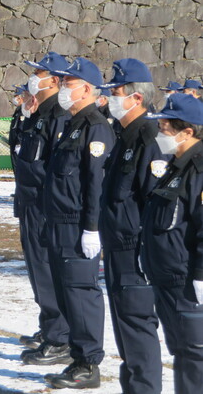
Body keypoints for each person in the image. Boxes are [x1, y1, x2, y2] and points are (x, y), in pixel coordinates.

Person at [42, 57, 115, 389]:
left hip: (76, 225)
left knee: (81, 294)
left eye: (67, 84)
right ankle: (76, 357)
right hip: (58, 222)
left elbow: (95, 184)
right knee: (64, 294)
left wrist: (91, 227)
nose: (62, 89)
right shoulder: (70, 124)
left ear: (86, 88)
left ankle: (89, 364)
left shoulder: (95, 127)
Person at [98, 59, 164, 394]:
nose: (111, 96)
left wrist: (148, 254)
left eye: (116, 91)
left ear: (136, 98)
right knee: (125, 328)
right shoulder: (124, 135)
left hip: (135, 252)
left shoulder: (149, 139)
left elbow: (157, 203)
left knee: (137, 327)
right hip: (117, 248)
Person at [142, 92, 203, 394]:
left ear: (187, 131)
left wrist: (202, 275)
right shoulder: (175, 166)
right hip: (166, 278)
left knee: (195, 355)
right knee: (182, 352)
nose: (159, 133)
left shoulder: (199, 170)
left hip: (187, 281)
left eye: (165, 127)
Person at [15, 52, 72, 363]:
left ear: (54, 79)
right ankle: (50, 329)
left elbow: (52, 169)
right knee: (38, 272)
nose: (32, 77)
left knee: (48, 273)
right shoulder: (37, 113)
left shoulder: (58, 117)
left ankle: (60, 338)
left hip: (44, 204)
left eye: (38, 72)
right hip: (29, 202)